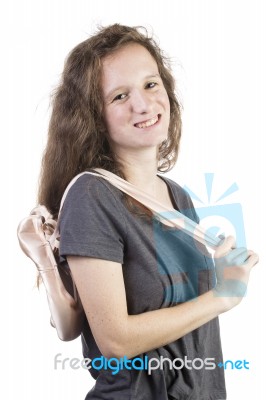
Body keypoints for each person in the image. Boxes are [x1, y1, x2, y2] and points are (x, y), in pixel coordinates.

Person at [38, 24, 259, 400]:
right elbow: (115, 341)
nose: (142, 104)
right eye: (120, 95)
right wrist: (222, 295)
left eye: (151, 84)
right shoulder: (92, 196)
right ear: (94, 116)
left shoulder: (179, 197)